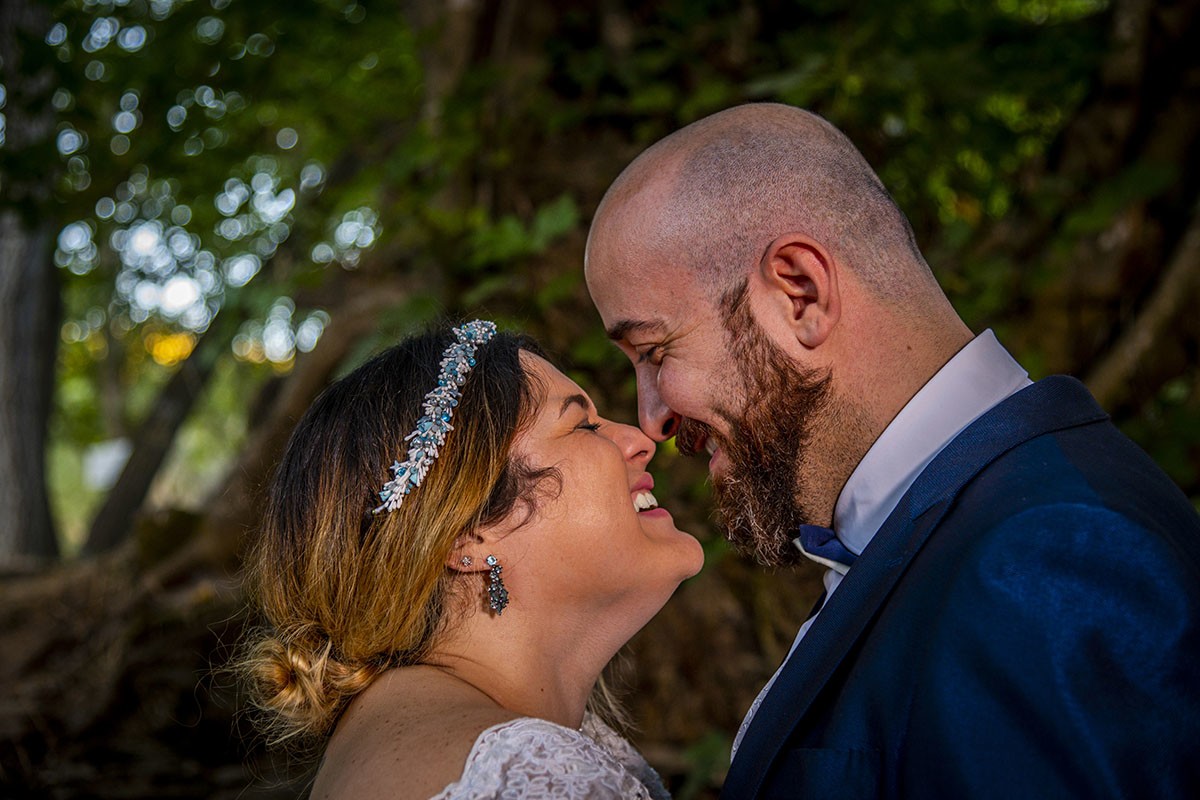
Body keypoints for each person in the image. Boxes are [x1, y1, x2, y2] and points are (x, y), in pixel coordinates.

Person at [584, 103, 1200, 798]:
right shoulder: (961, 526)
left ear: (801, 294)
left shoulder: (1048, 559)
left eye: (655, 350)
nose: (651, 418)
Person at [240, 321, 704, 799]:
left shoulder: (396, 733)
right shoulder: (535, 779)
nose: (640, 440)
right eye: (583, 425)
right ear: (468, 535)